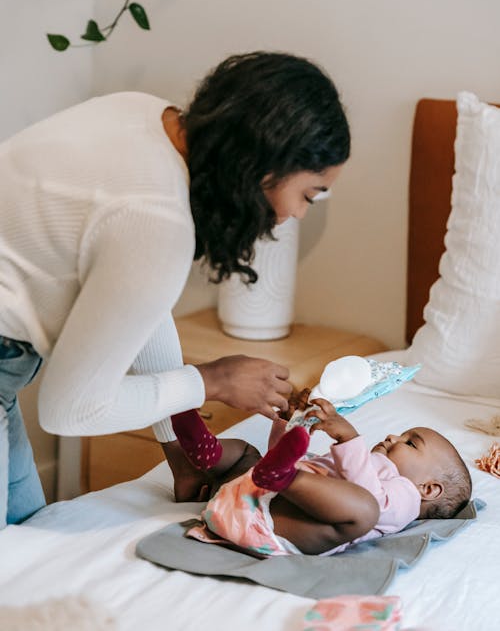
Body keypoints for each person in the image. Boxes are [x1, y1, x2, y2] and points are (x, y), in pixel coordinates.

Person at [0, 51, 350, 528]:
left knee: (26, 548)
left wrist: (185, 448)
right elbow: (71, 411)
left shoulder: (142, 113)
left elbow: (138, 301)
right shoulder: (157, 221)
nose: (299, 215)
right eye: (308, 194)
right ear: (267, 163)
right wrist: (215, 381)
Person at [179, 398, 472, 556]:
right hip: (254, 496)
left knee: (365, 511)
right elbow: (276, 461)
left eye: (410, 443)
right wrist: (291, 423)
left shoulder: (405, 495)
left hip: (280, 527)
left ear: (430, 489)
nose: (393, 436)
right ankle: (210, 454)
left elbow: (375, 503)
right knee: (247, 455)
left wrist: (349, 438)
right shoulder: (354, 462)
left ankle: (283, 476)